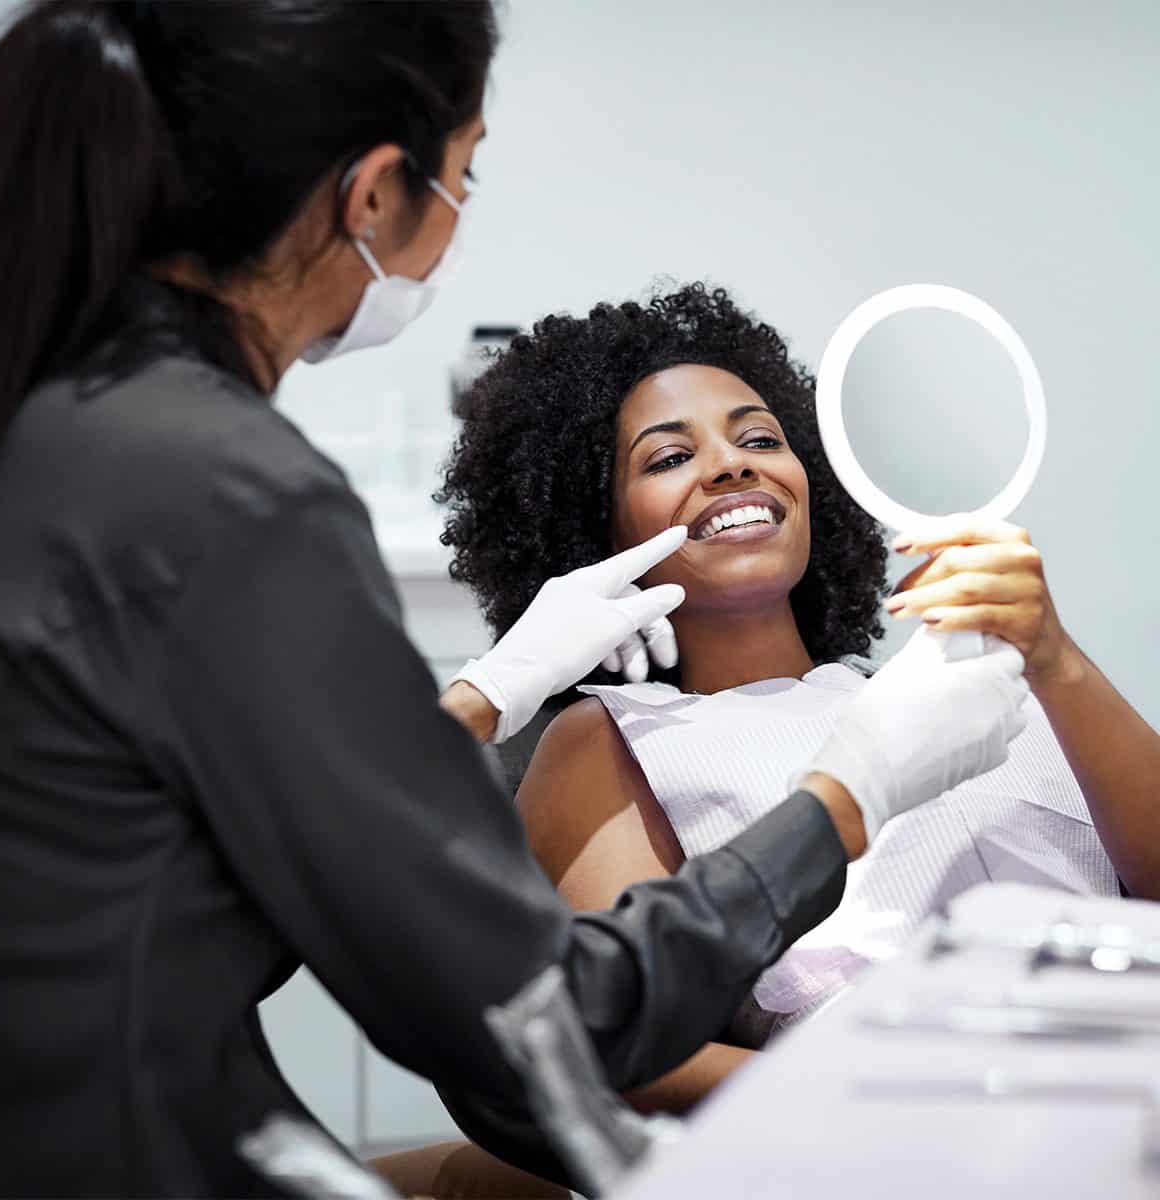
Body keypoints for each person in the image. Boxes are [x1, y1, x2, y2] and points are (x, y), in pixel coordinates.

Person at [0, 5, 1029, 1196]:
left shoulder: (50, 428)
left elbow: (208, 876)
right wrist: (850, 795)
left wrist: (479, 695)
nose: (729, 469)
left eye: (757, 435)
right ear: (374, 196)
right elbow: (538, 1028)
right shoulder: (233, 497)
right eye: (462, 176)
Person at [439, 282, 1147, 1113]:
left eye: (762, 439)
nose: (732, 465)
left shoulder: (972, 694)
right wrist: (886, 1095)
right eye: (670, 458)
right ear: (598, 533)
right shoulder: (612, 739)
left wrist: (1055, 659)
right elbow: (615, 1048)